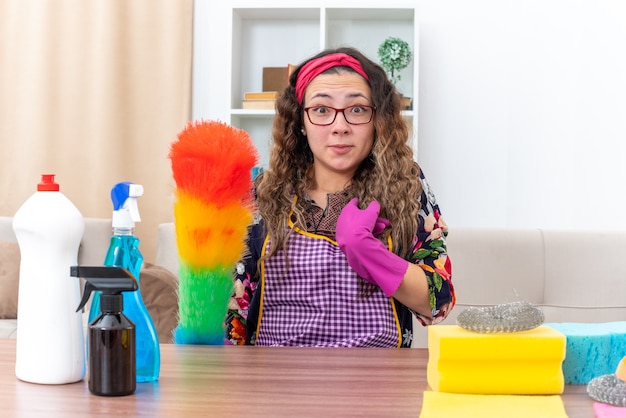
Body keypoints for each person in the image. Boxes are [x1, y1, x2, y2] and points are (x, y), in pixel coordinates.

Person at [226, 46, 455, 347]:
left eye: (357, 109)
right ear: (300, 123)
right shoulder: (261, 195)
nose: (340, 127)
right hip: (276, 381)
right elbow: (234, 321)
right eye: (321, 110)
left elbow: (437, 303)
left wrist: (369, 252)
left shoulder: (406, 185)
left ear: (378, 121)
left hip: (379, 381)